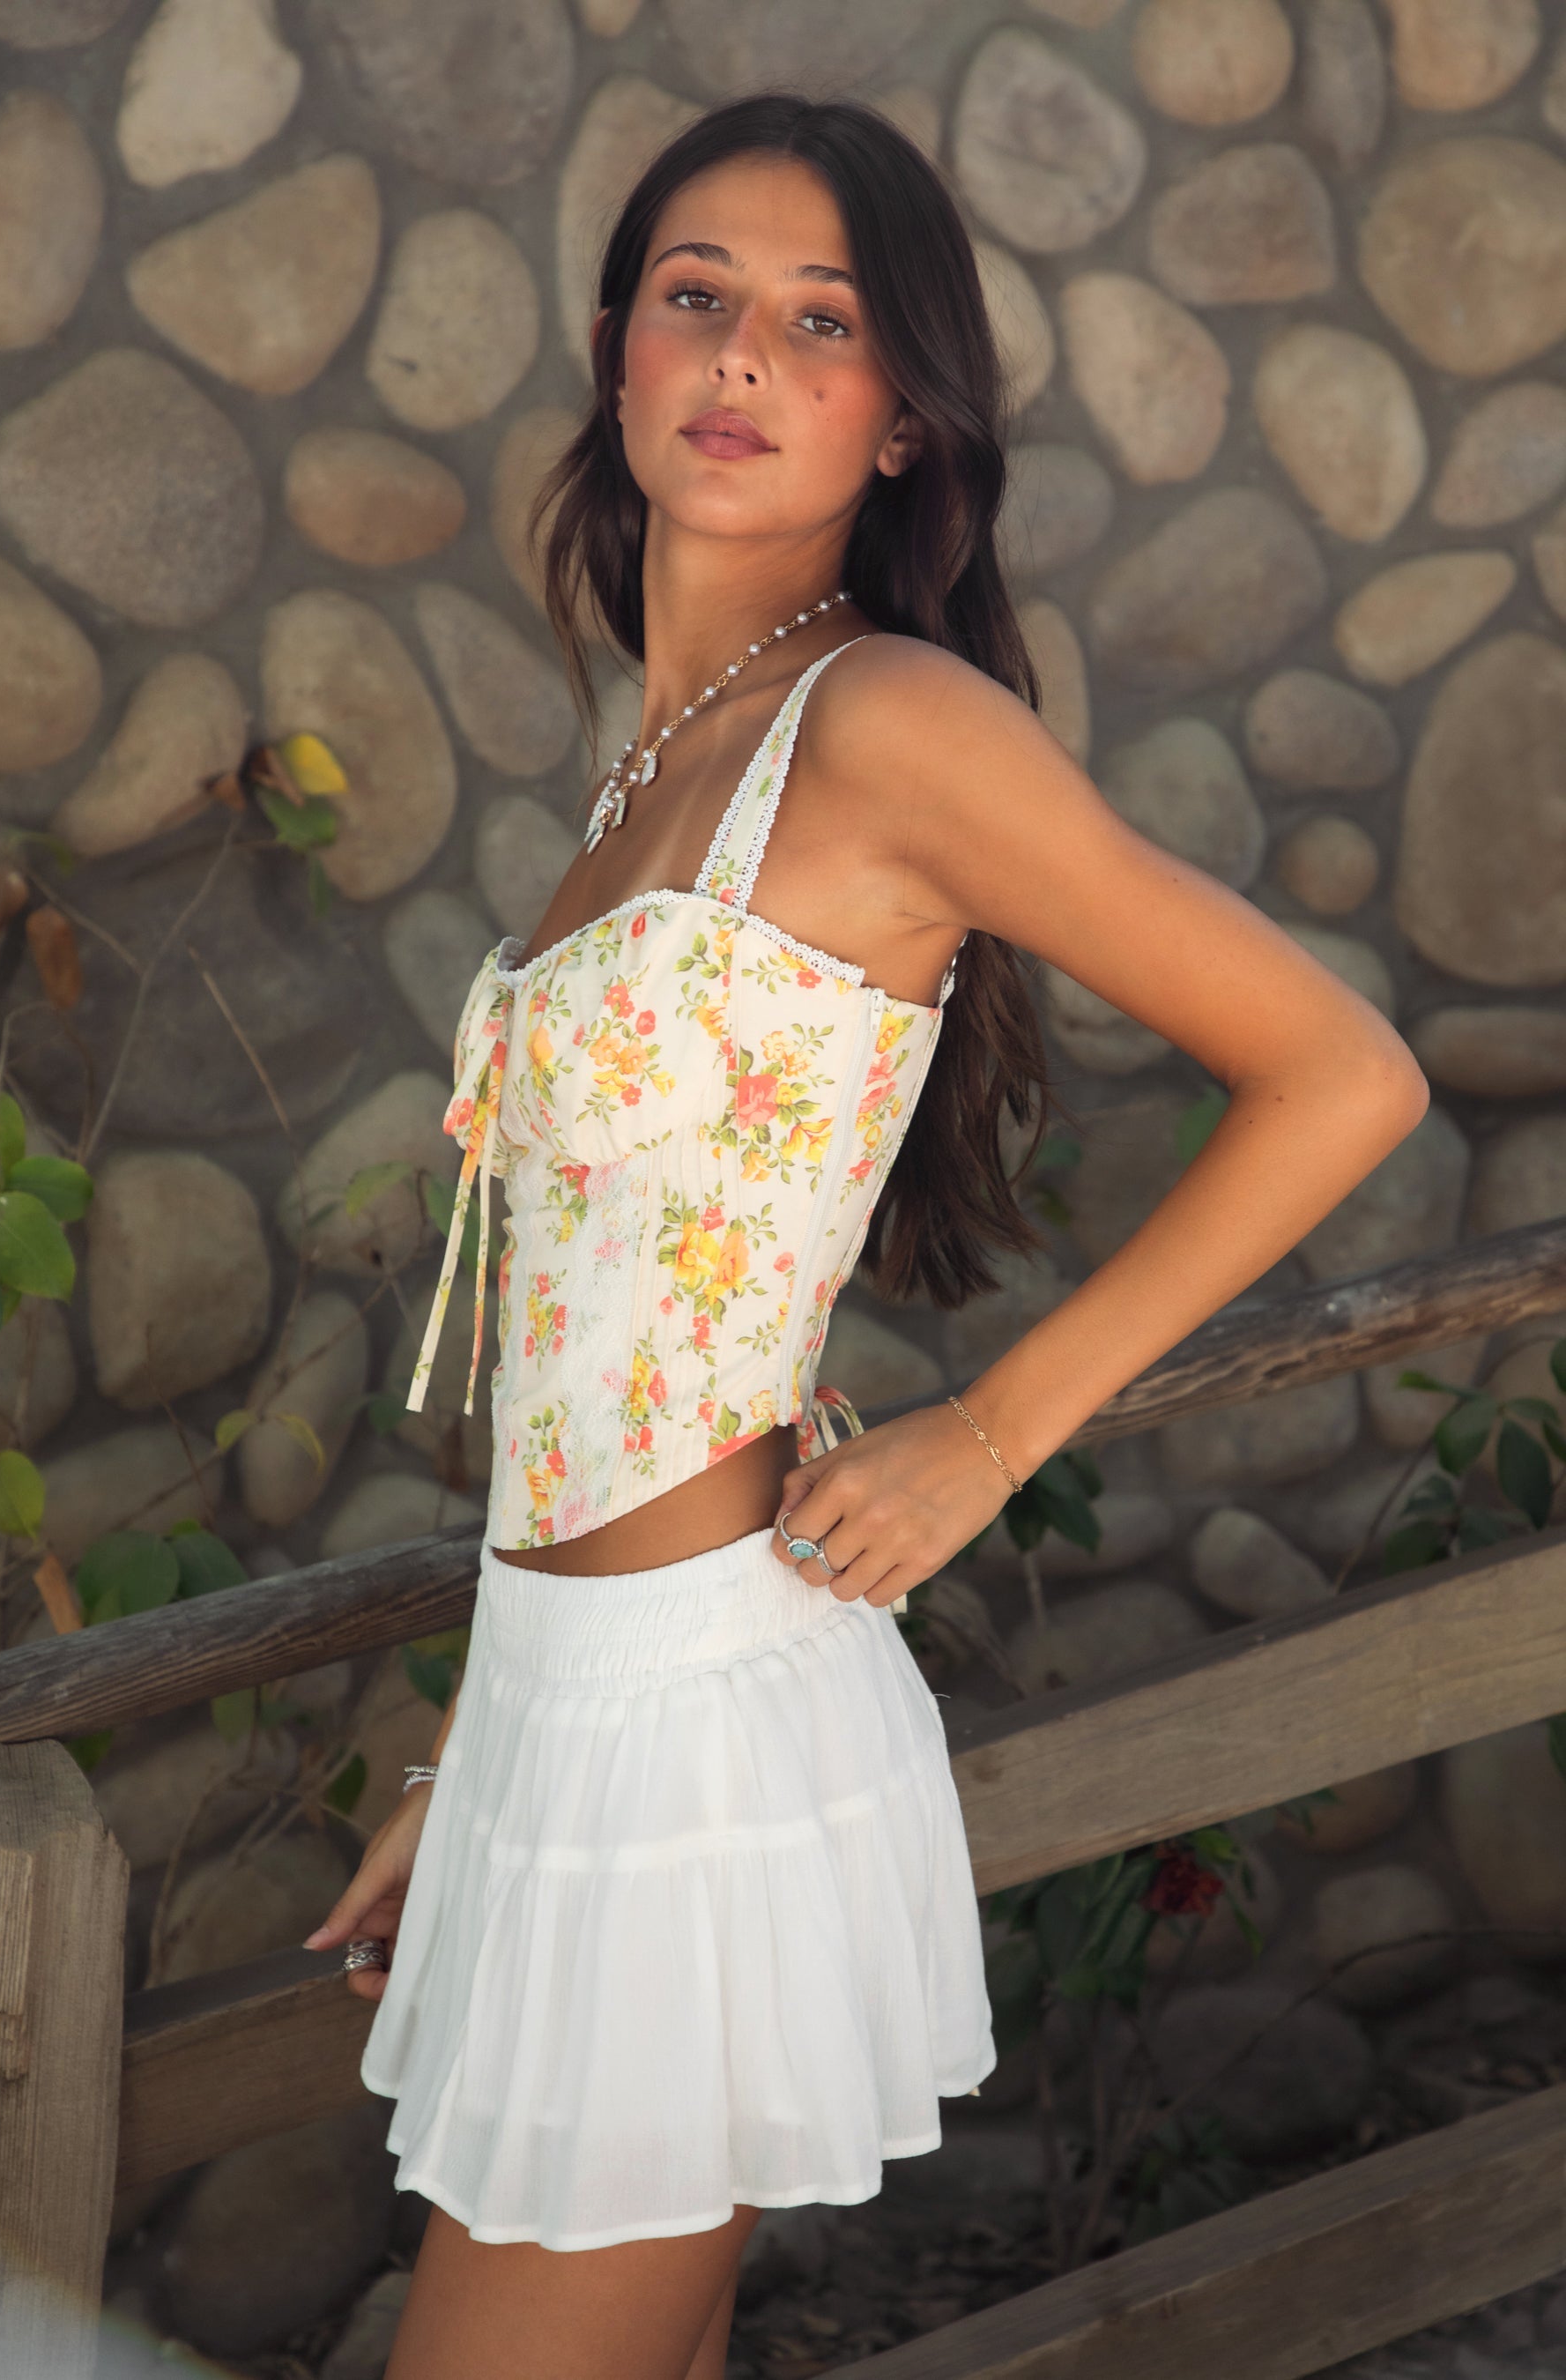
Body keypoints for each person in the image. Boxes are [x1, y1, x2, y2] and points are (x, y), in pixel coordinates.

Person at [301, 93, 1429, 2380]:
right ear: (618, 349)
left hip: (699, 1730)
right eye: (697, 297)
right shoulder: (657, 755)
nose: (743, 354)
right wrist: (489, 1733)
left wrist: (995, 1429)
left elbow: (1347, 1072)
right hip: (574, 1716)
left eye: (820, 323)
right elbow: (619, 1319)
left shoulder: (894, 721)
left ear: (902, 417)